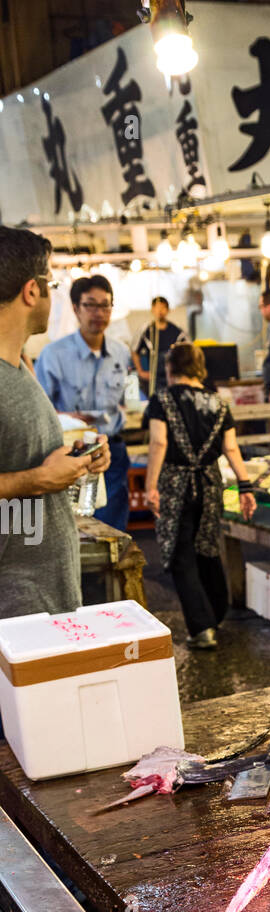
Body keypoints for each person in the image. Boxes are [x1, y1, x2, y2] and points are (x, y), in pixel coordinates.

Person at [0, 227, 110, 619]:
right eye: (52, 282)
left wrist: (75, 460)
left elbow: (23, 458)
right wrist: (37, 479)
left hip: (41, 596)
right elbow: (31, 476)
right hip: (14, 608)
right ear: (32, 291)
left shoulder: (20, 370)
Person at [144, 342, 255, 650]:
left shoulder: (162, 400)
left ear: (170, 368)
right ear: (199, 368)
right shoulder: (219, 403)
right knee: (206, 547)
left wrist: (150, 486)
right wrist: (245, 487)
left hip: (175, 486)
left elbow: (158, 443)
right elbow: (231, 448)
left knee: (182, 556)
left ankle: (202, 627)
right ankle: (217, 613)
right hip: (209, 485)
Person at [35, 273, 132, 532]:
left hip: (113, 451)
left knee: (114, 533)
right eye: (90, 304)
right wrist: (68, 418)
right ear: (76, 308)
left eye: (105, 305)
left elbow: (127, 398)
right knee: (75, 531)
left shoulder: (121, 352)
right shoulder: (53, 355)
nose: (99, 312)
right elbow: (42, 412)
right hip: (73, 453)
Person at [132, 297, 188, 396]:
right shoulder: (146, 331)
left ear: (168, 310)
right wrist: (140, 372)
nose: (160, 311)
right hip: (154, 379)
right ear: (152, 310)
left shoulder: (176, 331)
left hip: (174, 377)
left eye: (163, 307)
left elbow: (188, 350)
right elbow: (134, 351)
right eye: (157, 307)